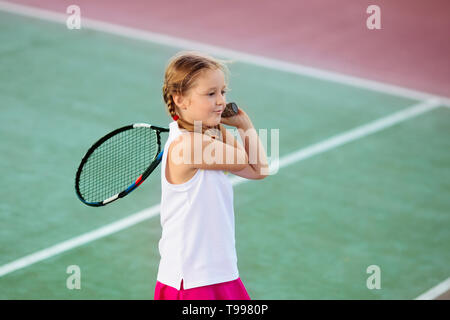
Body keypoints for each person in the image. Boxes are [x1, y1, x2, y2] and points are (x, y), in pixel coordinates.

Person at [154, 51, 269, 300]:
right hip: (192, 283)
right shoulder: (189, 146)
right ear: (181, 99)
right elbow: (244, 161)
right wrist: (238, 128)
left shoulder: (207, 134)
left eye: (223, 92)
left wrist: (245, 126)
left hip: (219, 273)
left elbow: (258, 170)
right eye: (210, 93)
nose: (221, 101)